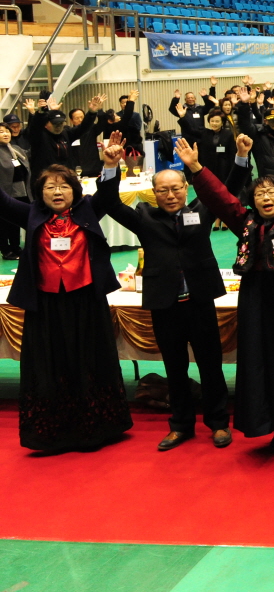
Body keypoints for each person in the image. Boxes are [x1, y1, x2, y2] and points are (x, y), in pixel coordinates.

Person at [179, 130, 274, 451]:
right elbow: (220, 198)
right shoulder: (245, 222)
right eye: (260, 193)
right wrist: (196, 168)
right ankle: (270, 422)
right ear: (253, 201)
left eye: (272, 192)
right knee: (260, 359)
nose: (266, 198)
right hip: (255, 296)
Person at [95, 131, 233, 451]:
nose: (170, 195)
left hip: (199, 300)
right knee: (174, 367)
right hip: (165, 303)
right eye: (163, 190)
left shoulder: (202, 210)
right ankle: (181, 425)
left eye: (176, 188)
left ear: (186, 188)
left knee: (211, 365)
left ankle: (218, 423)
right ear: (153, 193)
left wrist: (206, 164)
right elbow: (110, 203)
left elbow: (229, 190)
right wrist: (110, 167)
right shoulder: (144, 218)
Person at [0, 159, 132, 451]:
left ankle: (95, 429)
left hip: (86, 302)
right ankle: (53, 432)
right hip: (46, 305)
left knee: (89, 360)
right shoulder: (32, 214)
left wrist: (111, 166)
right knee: (50, 364)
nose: (57, 192)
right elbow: (4, 203)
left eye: (63, 186)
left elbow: (108, 195)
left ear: (75, 190)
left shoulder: (87, 210)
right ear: (40, 192)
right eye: (50, 187)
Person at [0, 124, 29, 260]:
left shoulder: (16, 149)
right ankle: (6, 250)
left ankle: (16, 247)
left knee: (16, 222)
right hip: (5, 192)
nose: (6, 134)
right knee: (3, 224)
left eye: (7, 131)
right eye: (1, 132)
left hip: (21, 190)